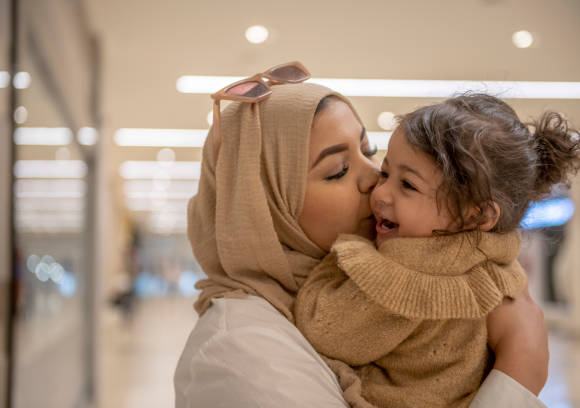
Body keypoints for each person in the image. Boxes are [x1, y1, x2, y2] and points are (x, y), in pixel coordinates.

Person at [174, 63, 550, 407]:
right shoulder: (242, 353)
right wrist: (518, 373)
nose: (374, 179)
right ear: (261, 203)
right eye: (338, 169)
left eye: (369, 151)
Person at [295, 94, 580, 407]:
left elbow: (326, 330)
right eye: (386, 173)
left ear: (478, 215)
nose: (380, 192)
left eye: (408, 185)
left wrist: (351, 251)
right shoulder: (496, 259)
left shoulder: (408, 269)